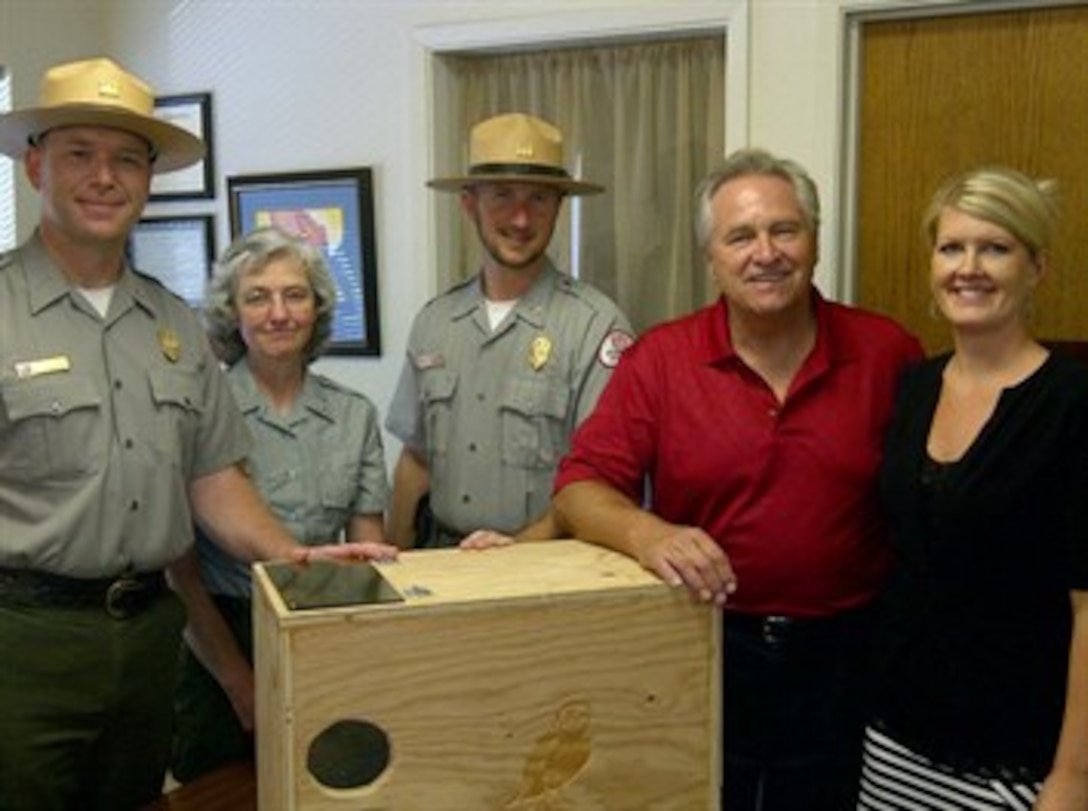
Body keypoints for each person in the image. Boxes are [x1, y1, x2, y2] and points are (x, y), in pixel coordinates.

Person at [0, 57, 395, 810]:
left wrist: (291, 552)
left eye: (126, 158)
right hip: (24, 640)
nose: (104, 176)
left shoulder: (174, 325)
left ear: (148, 179)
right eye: (79, 153)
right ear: (34, 166)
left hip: (147, 638)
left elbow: (213, 479)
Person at [551, 147, 923, 810]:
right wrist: (647, 532)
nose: (766, 252)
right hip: (704, 642)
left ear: (814, 241)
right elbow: (580, 486)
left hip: (848, 654)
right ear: (711, 256)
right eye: (741, 236)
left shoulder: (887, 351)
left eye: (784, 229)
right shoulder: (660, 360)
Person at [859, 167, 1088, 809]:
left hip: (1016, 759)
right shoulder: (913, 388)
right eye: (952, 247)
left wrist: (1074, 778)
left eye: (996, 248)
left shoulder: (1072, 406)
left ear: (1036, 268)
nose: (970, 267)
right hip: (894, 740)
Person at [169, 226, 391, 783]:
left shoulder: (354, 415)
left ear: (317, 308)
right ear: (231, 313)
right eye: (257, 297)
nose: (278, 313)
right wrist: (240, 682)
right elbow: (182, 574)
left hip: (323, 635)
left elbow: (370, 556)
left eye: (295, 295)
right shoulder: (196, 413)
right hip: (219, 641)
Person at [385, 112, 633, 548]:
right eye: (502, 195)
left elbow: (600, 483)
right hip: (442, 563)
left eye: (538, 198)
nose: (520, 218)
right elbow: (415, 462)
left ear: (558, 207)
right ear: (469, 203)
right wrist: (391, 571)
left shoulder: (595, 327)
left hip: (545, 571)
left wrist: (513, 555)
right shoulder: (435, 323)